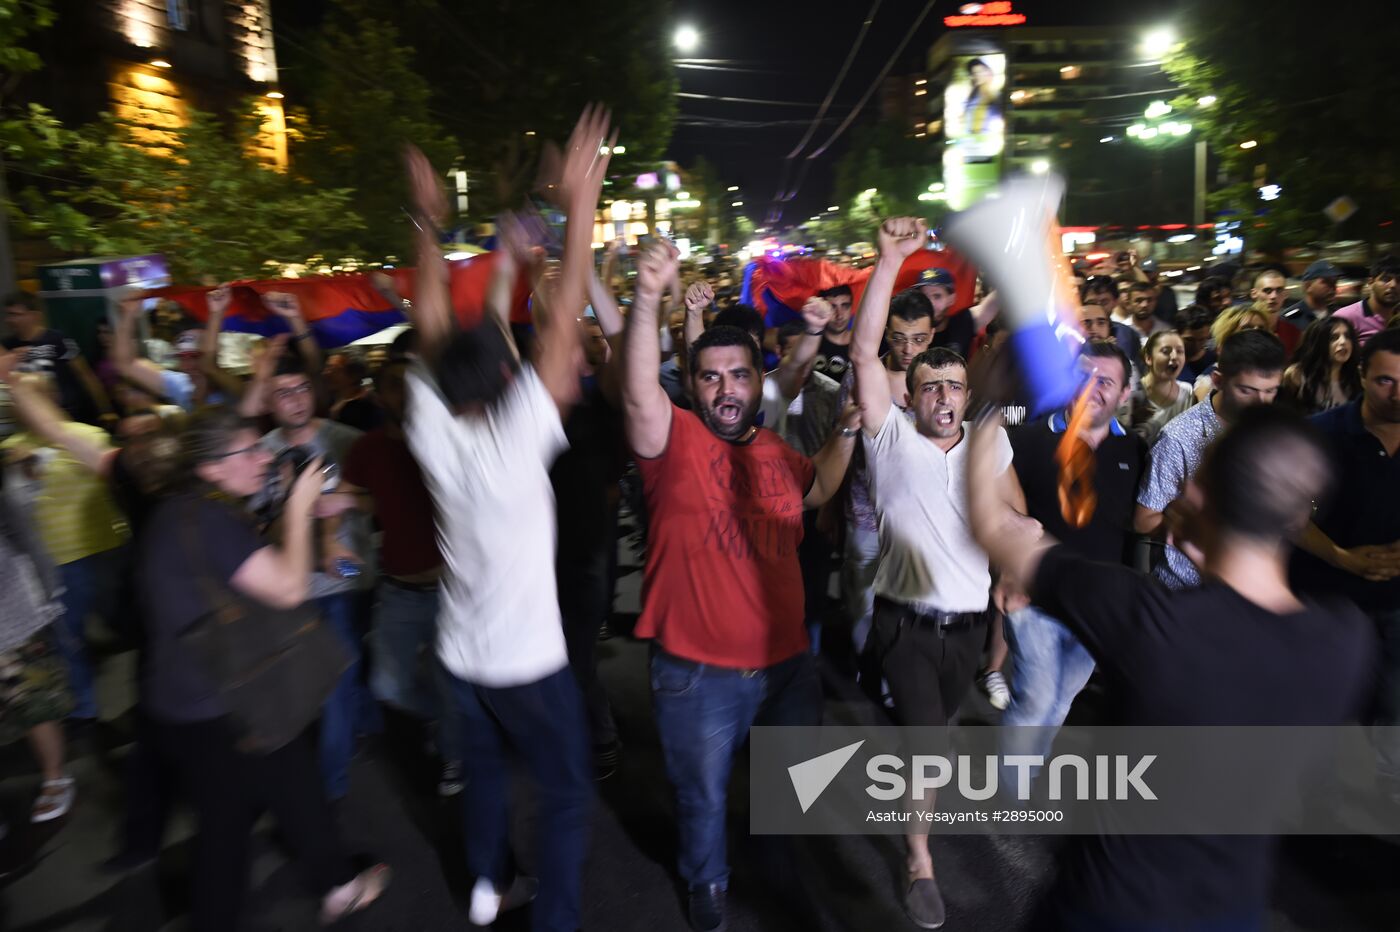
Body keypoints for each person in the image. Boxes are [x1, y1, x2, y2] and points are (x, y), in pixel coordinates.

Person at [968, 396, 1375, 932]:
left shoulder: (1151, 621)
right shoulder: (1346, 642)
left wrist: (986, 420)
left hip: (1110, 907)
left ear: (1199, 496)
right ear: (1299, 515)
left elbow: (994, 528)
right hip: (1231, 910)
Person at [403, 108, 608, 931]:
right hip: (527, 663)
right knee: (566, 792)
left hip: (459, 652)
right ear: (506, 380)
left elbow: (427, 326)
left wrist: (426, 221)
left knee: (483, 770)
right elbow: (561, 329)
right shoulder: (518, 439)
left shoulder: (430, 423)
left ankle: (488, 884)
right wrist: (580, 202)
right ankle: (554, 918)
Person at [621, 233, 858, 932]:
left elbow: (815, 496)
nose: (726, 388)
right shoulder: (674, 443)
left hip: (788, 668)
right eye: (710, 377)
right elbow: (637, 391)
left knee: (791, 787)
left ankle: (777, 867)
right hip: (698, 677)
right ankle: (708, 882)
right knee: (701, 798)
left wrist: (845, 432)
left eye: (739, 375)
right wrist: (646, 297)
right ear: (693, 388)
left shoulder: (776, 450)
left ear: (760, 381)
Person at [137, 406, 389, 932]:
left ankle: (336, 885)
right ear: (210, 467)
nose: (261, 458)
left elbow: (246, 570)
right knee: (235, 825)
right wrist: (299, 506)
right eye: (247, 452)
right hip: (221, 703)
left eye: (259, 447)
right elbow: (289, 587)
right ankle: (321, 891)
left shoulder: (185, 509)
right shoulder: (208, 518)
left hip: (198, 699)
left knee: (277, 793)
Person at [850, 217, 1020, 930]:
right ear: (908, 394)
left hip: (969, 629)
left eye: (953, 385)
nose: (944, 398)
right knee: (928, 746)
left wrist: (1016, 558)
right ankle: (919, 858)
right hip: (905, 625)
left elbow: (1013, 510)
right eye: (929, 387)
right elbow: (863, 350)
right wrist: (890, 261)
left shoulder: (990, 440)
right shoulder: (887, 437)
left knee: (939, 734)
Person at [1000, 341, 1145, 774]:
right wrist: (1007, 571)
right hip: (1035, 597)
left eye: (1105, 381)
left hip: (1099, 605)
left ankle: (1030, 765)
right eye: (1083, 377)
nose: (1091, 388)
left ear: (1123, 395)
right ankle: (1009, 791)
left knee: (1063, 697)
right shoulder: (1027, 440)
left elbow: (1138, 523)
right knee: (1036, 697)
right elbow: (997, 508)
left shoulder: (1135, 451)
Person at [327, 358, 463, 797]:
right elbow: (346, 498)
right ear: (379, 394)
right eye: (395, 387)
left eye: (414, 386)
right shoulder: (368, 449)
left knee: (452, 680)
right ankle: (449, 723)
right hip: (398, 590)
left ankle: (455, 751)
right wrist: (333, 544)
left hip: (451, 590)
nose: (405, 395)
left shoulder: (450, 440)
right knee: (387, 684)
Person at [250, 350, 372, 802]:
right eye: (283, 393)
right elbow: (257, 527)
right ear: (268, 400)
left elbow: (382, 501)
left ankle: (359, 729)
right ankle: (331, 787)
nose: (296, 400)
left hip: (350, 578)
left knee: (351, 667)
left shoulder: (349, 440)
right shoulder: (261, 456)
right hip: (294, 589)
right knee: (331, 686)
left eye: (302, 388)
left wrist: (342, 503)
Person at [1291, 327, 1400, 801]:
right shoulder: (1321, 434)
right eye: (1386, 381)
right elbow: (1288, 515)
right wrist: (1343, 558)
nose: (1398, 395)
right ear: (1361, 375)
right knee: (1322, 713)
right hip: (1325, 598)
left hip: (1396, 604)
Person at [0, 371, 128, 722]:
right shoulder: (9, 452)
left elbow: (114, 484)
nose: (22, 407)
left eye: (32, 397)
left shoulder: (88, 436)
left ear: (51, 399)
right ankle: (85, 711)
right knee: (69, 640)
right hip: (55, 562)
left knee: (121, 623)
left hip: (103, 549)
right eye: (17, 400)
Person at [1135, 329, 1286, 589]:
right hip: (1188, 588)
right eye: (1247, 390)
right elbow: (1144, 519)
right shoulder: (1179, 438)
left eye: (1271, 391)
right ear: (1218, 379)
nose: (1261, 403)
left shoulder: (1275, 428)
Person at [838, 288, 935, 661]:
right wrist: (834, 507)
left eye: (918, 339)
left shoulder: (942, 382)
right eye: (898, 338)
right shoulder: (861, 377)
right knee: (862, 602)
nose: (908, 348)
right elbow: (842, 447)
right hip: (864, 515)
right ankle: (868, 665)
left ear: (932, 335)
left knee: (913, 604)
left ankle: (901, 677)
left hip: (921, 520)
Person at [0, 373, 76, 828]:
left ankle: (55, 776)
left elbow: (27, 504)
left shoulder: (10, 464)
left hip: (10, 609)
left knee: (33, 701)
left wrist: (22, 463)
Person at [3, 292, 110, 424]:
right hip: (30, 419)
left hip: (66, 416)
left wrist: (106, 410)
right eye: (8, 315)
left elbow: (85, 374)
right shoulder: (7, 346)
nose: (10, 320)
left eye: (16, 315)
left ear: (34, 316)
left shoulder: (57, 339)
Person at [1280, 317, 1361, 415]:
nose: (1343, 342)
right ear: (1318, 343)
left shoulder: (1358, 376)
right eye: (1334, 338)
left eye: (1348, 336)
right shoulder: (1297, 374)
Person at [1125, 330, 1194, 445]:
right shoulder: (1132, 393)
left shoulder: (1187, 392)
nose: (1174, 356)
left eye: (1180, 351)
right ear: (1148, 358)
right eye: (1166, 351)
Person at [1192, 304, 1271, 402]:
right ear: (1228, 334)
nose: (1256, 333)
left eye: (1261, 328)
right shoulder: (1209, 383)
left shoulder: (1270, 376)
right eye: (1247, 328)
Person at [1333, 255, 1400, 346]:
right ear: (1371, 282)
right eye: (1386, 279)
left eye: (1399, 280)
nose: (1393, 285)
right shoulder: (1346, 317)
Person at [1084, 277, 1142, 375]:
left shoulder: (1128, 335)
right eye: (1091, 303)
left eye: (1104, 302)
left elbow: (1139, 374)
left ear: (1115, 302)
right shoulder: (1071, 333)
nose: (1098, 307)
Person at [1277, 260, 1340, 349]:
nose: (1333, 287)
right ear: (1308, 286)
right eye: (1326, 282)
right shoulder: (1290, 319)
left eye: (1335, 282)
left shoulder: (1339, 315)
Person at [914, 267, 976, 358]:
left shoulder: (962, 323)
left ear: (951, 299)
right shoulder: (907, 328)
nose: (930, 304)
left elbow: (992, 304)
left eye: (937, 296)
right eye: (924, 296)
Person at [325, 354, 384, 433]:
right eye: (327, 367)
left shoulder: (366, 408)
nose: (326, 373)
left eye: (334, 369)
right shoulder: (328, 402)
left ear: (353, 376)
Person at [811, 284, 855, 381]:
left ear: (852, 307)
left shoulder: (863, 344)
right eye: (832, 307)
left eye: (845, 306)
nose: (839, 315)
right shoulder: (810, 344)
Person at [1250, 268, 1294, 353]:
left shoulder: (1292, 332)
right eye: (1267, 291)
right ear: (1254, 294)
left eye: (1279, 290)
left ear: (1286, 294)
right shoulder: (1240, 326)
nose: (1273, 296)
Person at [1175, 304, 1216, 384]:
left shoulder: (1214, 361)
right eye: (1190, 340)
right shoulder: (1167, 360)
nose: (1196, 346)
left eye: (1202, 339)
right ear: (1177, 334)